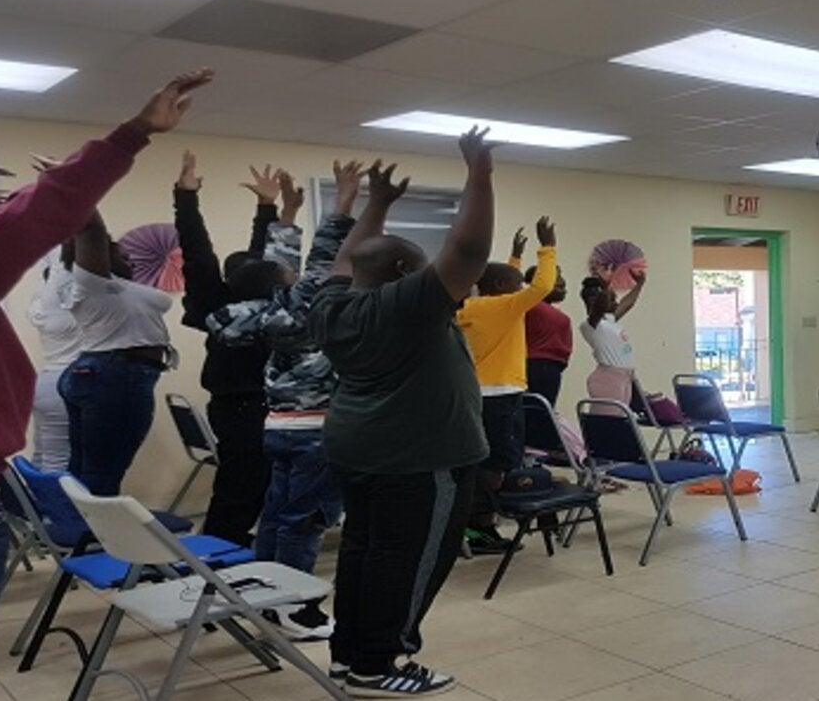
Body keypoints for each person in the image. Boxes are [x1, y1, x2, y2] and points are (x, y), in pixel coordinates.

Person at [0, 67, 213, 666]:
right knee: (98, 481)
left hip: (93, 375)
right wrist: (125, 145)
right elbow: (78, 229)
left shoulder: (97, 287)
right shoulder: (90, 282)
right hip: (110, 376)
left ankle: (87, 545)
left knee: (79, 475)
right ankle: (103, 557)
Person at [309, 132, 495, 697]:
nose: (432, 276)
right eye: (419, 268)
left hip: (358, 451)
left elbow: (348, 258)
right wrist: (479, 175)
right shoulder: (406, 306)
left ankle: (349, 655)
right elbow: (467, 252)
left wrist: (378, 204)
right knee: (410, 560)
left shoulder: (332, 304)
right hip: (420, 459)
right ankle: (379, 662)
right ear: (401, 273)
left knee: (364, 552)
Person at [207, 161, 364, 641]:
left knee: (277, 517)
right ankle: (296, 609)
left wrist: (288, 215)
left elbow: (284, 271)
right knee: (305, 524)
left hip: (278, 427)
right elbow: (318, 264)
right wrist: (342, 204)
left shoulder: (265, 315)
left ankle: (266, 600)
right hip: (316, 433)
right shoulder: (302, 315)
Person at [174, 152, 287, 546]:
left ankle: (234, 551)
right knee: (239, 492)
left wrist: (267, 207)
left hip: (249, 408)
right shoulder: (222, 309)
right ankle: (219, 556)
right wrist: (186, 199)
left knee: (254, 488)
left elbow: (258, 258)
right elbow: (197, 254)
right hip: (244, 409)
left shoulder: (249, 306)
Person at [455, 217, 558, 555]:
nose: (520, 290)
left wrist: (515, 257)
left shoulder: (471, 307)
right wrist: (547, 248)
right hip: (501, 397)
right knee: (496, 464)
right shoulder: (503, 306)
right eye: (516, 284)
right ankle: (481, 528)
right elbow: (542, 287)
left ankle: (470, 524)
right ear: (501, 286)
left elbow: (502, 280)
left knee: (477, 461)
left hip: (475, 395)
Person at [58, 207, 176, 496]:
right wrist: (81, 190)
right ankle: (95, 524)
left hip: (100, 372)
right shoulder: (92, 283)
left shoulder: (117, 287)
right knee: (103, 472)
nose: (130, 260)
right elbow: (92, 232)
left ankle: (78, 521)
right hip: (115, 375)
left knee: (85, 467)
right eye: (123, 255)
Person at [27, 248, 85, 470]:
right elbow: (60, 269)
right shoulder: (65, 313)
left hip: (46, 382)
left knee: (42, 457)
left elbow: (53, 273)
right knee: (58, 464)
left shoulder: (38, 308)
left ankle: (30, 493)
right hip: (64, 385)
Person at [508, 227, 572, 407]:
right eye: (557, 277)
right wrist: (516, 256)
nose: (562, 282)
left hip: (551, 368)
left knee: (542, 412)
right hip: (536, 365)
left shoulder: (546, 308)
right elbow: (511, 287)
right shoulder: (530, 305)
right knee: (537, 413)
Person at [579, 267, 646, 404]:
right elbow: (598, 308)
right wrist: (606, 288)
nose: (616, 303)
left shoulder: (609, 320)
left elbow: (627, 304)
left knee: (626, 414)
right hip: (609, 378)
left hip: (625, 376)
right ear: (593, 301)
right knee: (611, 416)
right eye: (612, 299)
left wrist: (640, 284)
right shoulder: (591, 325)